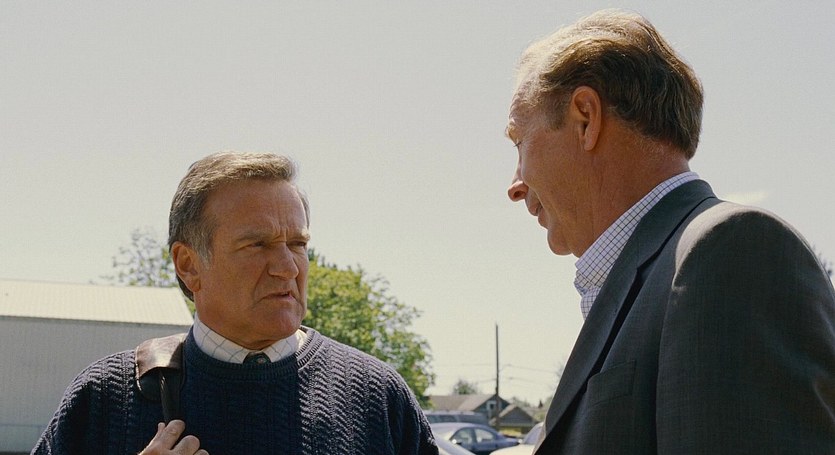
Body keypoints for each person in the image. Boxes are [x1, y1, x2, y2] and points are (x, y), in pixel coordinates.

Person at [505, 9, 835, 454]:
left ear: (585, 118)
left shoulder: (731, 253)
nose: (515, 185)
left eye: (519, 143)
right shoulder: (667, 274)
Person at [33, 152, 439, 455]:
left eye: (298, 244)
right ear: (188, 264)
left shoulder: (376, 396)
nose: (287, 267)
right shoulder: (106, 398)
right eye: (257, 244)